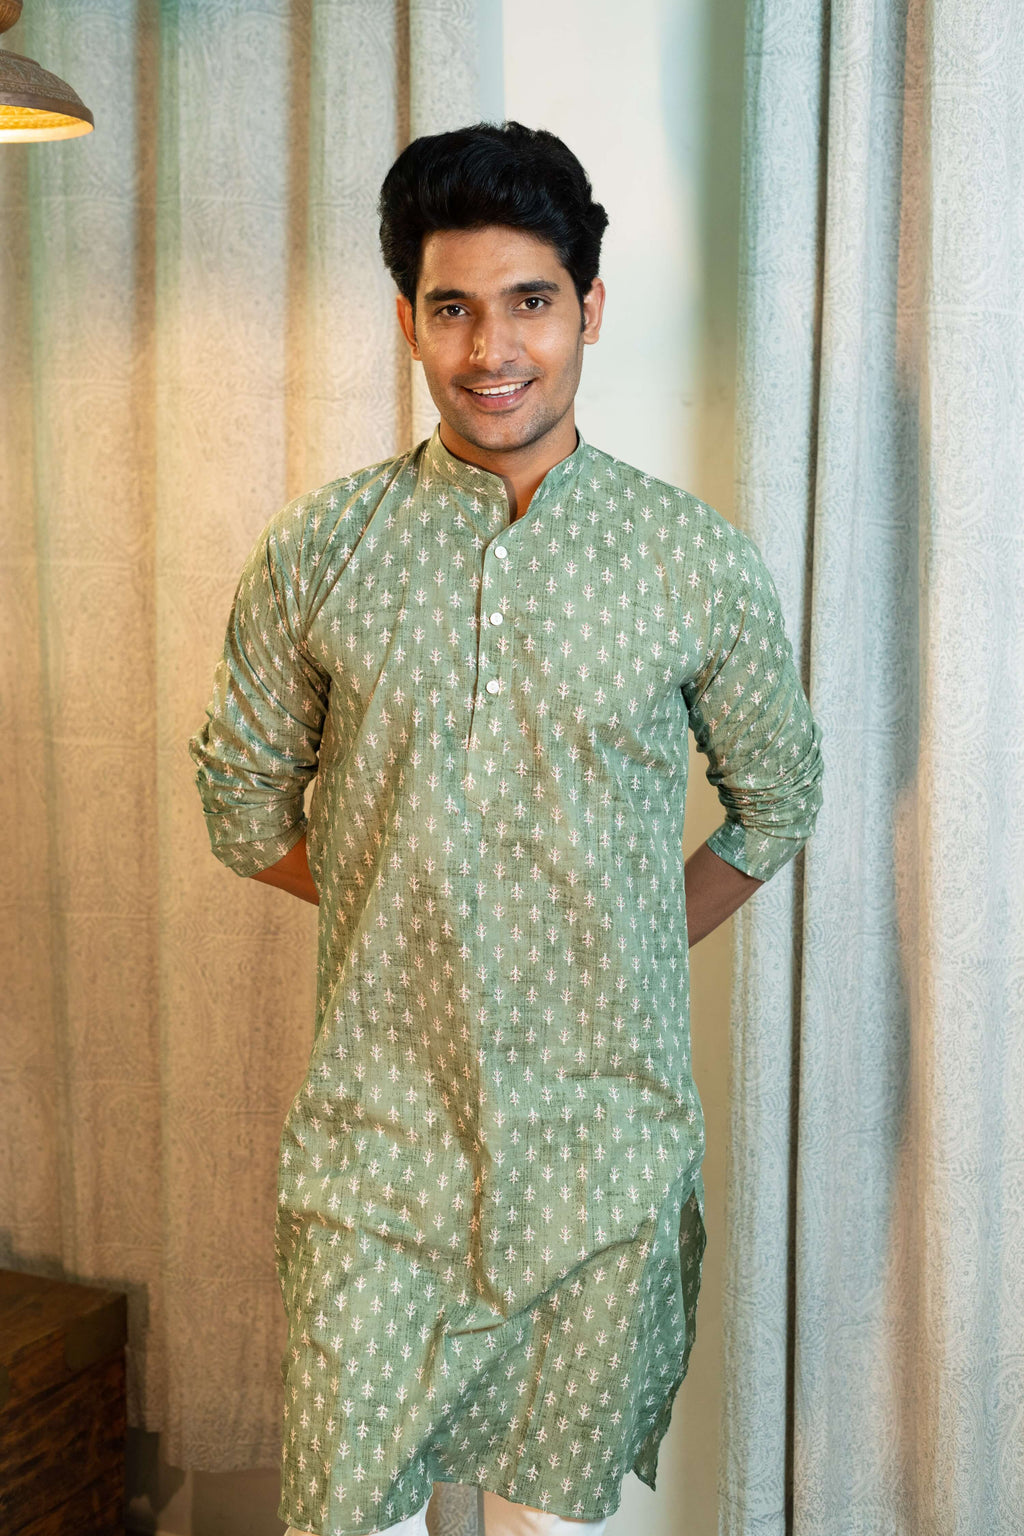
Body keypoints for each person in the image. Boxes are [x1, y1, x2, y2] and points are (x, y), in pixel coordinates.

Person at [189, 120, 824, 1536]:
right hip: (381, 1156)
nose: (493, 349)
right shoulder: (323, 549)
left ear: (588, 309)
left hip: (604, 1157)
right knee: (349, 1515)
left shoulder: (688, 559)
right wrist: (411, 901)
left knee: (544, 1529)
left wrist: (619, 924)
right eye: (453, 307)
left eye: (529, 301)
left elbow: (776, 799)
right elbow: (241, 808)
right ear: (409, 318)